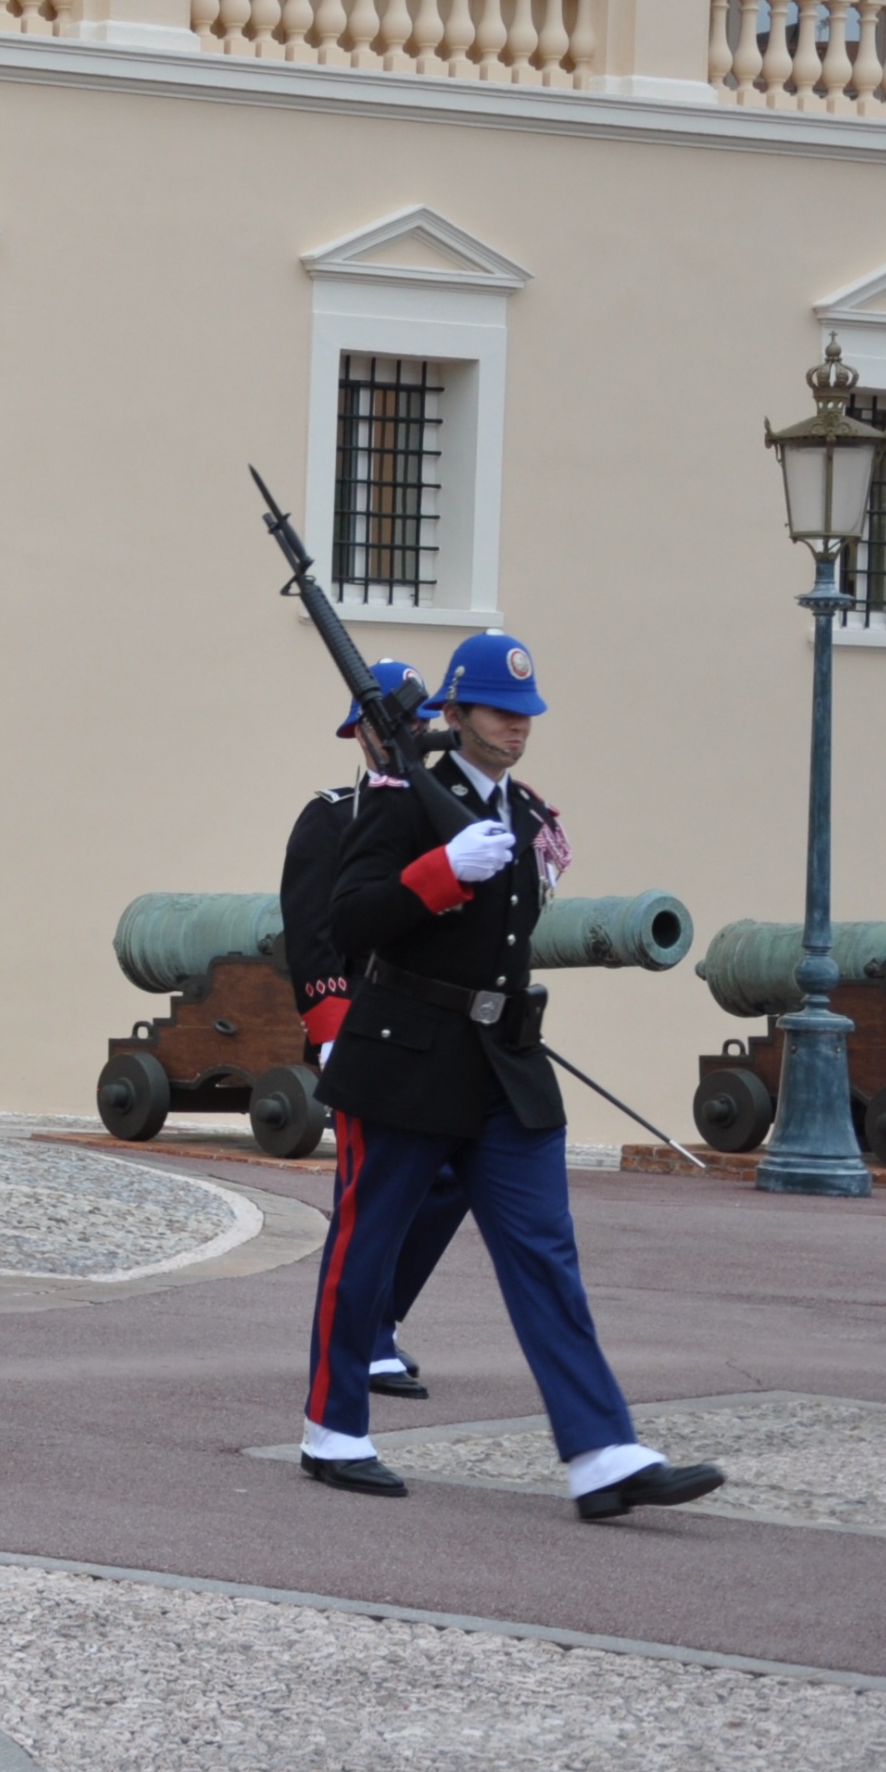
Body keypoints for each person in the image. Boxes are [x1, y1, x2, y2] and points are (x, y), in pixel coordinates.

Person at [300, 633, 724, 1519]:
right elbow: (347, 922)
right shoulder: (399, 803)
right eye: (498, 711)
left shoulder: (527, 815)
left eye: (525, 713)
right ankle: (332, 1430)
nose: (516, 726)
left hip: (503, 1065)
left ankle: (600, 1451)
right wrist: (437, 872)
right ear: (453, 715)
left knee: (544, 1254)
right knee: (365, 1246)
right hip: (405, 1061)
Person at [282, 660, 468, 1401]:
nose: (403, 735)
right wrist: (331, 1028)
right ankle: (368, 1339)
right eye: (390, 724)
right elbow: (311, 932)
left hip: (434, 1026)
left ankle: (378, 1317)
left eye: (416, 723)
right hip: (363, 1027)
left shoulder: (448, 814)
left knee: (449, 1181)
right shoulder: (332, 816)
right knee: (373, 1188)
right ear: (359, 732)